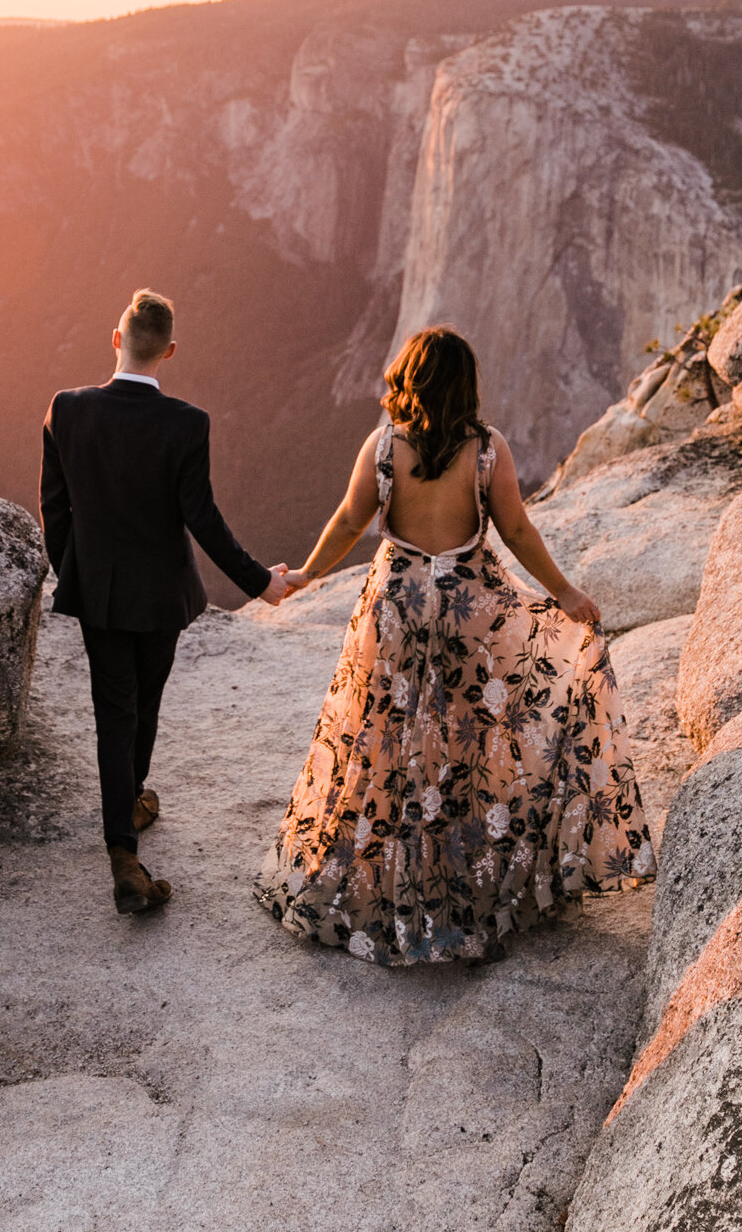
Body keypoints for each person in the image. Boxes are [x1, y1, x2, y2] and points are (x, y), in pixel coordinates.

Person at [256, 325, 653, 965]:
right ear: (466, 384)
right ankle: (471, 888)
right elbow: (516, 530)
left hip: (397, 609)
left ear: (408, 378)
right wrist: (567, 594)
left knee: (383, 740)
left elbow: (349, 520)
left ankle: (376, 885)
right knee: (473, 741)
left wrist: (305, 575)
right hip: (471, 610)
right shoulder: (487, 450)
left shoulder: (384, 446)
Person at [41, 289, 290, 917]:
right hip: (162, 595)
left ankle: (123, 845)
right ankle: (128, 817)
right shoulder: (186, 423)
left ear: (115, 338)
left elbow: (55, 507)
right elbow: (200, 518)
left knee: (112, 713)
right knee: (145, 699)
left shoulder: (66, 411)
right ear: (170, 351)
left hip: (98, 591)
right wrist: (261, 581)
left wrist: (77, 572)